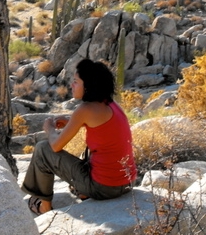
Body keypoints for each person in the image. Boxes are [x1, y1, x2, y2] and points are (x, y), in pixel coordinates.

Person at [21, 58, 137, 215]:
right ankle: (83, 191)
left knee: (43, 149)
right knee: (90, 151)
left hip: (104, 188)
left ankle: (44, 206)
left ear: (88, 86)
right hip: (125, 182)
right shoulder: (110, 104)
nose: (71, 85)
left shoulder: (85, 109)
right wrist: (71, 121)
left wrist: (49, 130)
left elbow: (55, 146)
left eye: (75, 81)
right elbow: (100, 124)